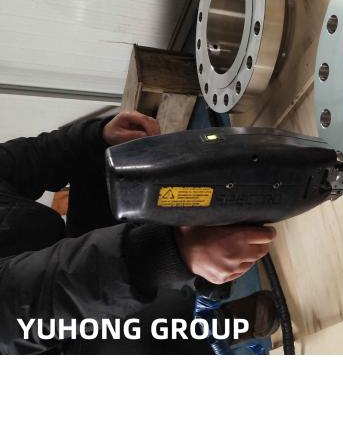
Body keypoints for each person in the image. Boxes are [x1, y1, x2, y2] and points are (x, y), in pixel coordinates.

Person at [0, 110, 278, 354]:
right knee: (134, 342)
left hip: (53, 254)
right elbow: (20, 304)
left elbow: (30, 157)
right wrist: (164, 255)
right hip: (44, 338)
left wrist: (97, 136)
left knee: (109, 165)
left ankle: (194, 283)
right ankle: (212, 328)